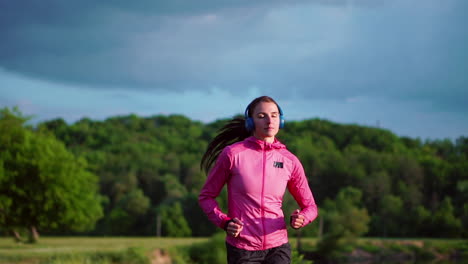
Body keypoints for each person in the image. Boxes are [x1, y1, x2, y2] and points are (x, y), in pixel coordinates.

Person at [198, 95, 318, 264]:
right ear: (250, 122)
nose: (269, 120)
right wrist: (225, 222)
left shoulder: (290, 161)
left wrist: (302, 218)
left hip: (278, 247)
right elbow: (206, 197)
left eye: (274, 115)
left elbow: (310, 207)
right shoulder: (232, 154)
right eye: (262, 116)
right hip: (242, 249)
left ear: (281, 120)